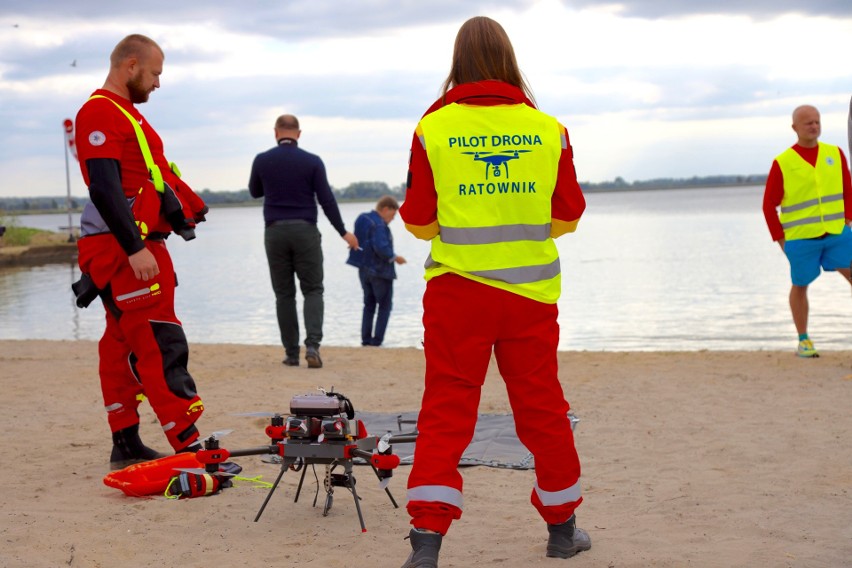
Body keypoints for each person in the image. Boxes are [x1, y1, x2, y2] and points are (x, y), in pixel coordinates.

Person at [397, 16, 591, 566]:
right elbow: (569, 214)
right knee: (543, 411)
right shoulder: (548, 128)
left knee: (446, 410)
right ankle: (562, 530)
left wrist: (459, 226)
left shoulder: (433, 128)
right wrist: (523, 222)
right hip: (530, 296)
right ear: (509, 61)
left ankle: (427, 544)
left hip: (457, 293)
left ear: (457, 62)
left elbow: (417, 220)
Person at [72, 34, 209, 468]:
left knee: (119, 346)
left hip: (124, 245)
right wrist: (134, 248)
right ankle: (189, 446)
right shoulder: (99, 112)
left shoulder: (124, 114)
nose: (157, 84)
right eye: (154, 74)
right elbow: (103, 184)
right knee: (158, 340)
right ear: (130, 66)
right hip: (126, 249)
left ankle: (125, 441)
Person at [248, 114, 358, 368]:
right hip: (305, 231)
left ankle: (290, 353)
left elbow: (255, 192)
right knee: (313, 289)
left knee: (284, 294)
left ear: (276, 132)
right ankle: (312, 347)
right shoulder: (312, 162)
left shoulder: (263, 160)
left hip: (275, 232)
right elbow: (327, 200)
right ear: (299, 133)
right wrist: (343, 232)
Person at [763, 104, 852, 358]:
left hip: (838, 234)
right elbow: (769, 205)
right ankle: (803, 341)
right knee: (800, 285)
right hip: (801, 240)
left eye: (816, 121)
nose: (814, 126)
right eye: (807, 123)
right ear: (795, 128)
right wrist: (781, 241)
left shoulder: (835, 153)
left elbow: (848, 189)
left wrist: (848, 220)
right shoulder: (783, 162)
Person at [346, 195, 407, 346]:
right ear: (385, 209)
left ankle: (365, 340)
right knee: (385, 306)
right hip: (380, 271)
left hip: (363, 269)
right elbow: (381, 247)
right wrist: (395, 257)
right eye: (393, 215)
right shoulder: (379, 225)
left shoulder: (362, 218)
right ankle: (377, 341)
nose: (392, 219)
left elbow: (358, 239)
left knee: (369, 304)